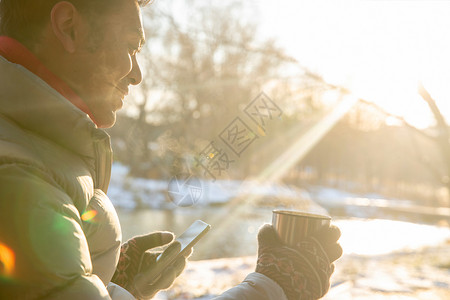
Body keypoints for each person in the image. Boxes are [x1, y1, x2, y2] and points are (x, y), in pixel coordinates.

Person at [0, 0, 342, 299]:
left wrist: (111, 283)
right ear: (68, 27)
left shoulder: (34, 146)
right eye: (130, 46)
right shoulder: (18, 177)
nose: (137, 75)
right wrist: (273, 288)